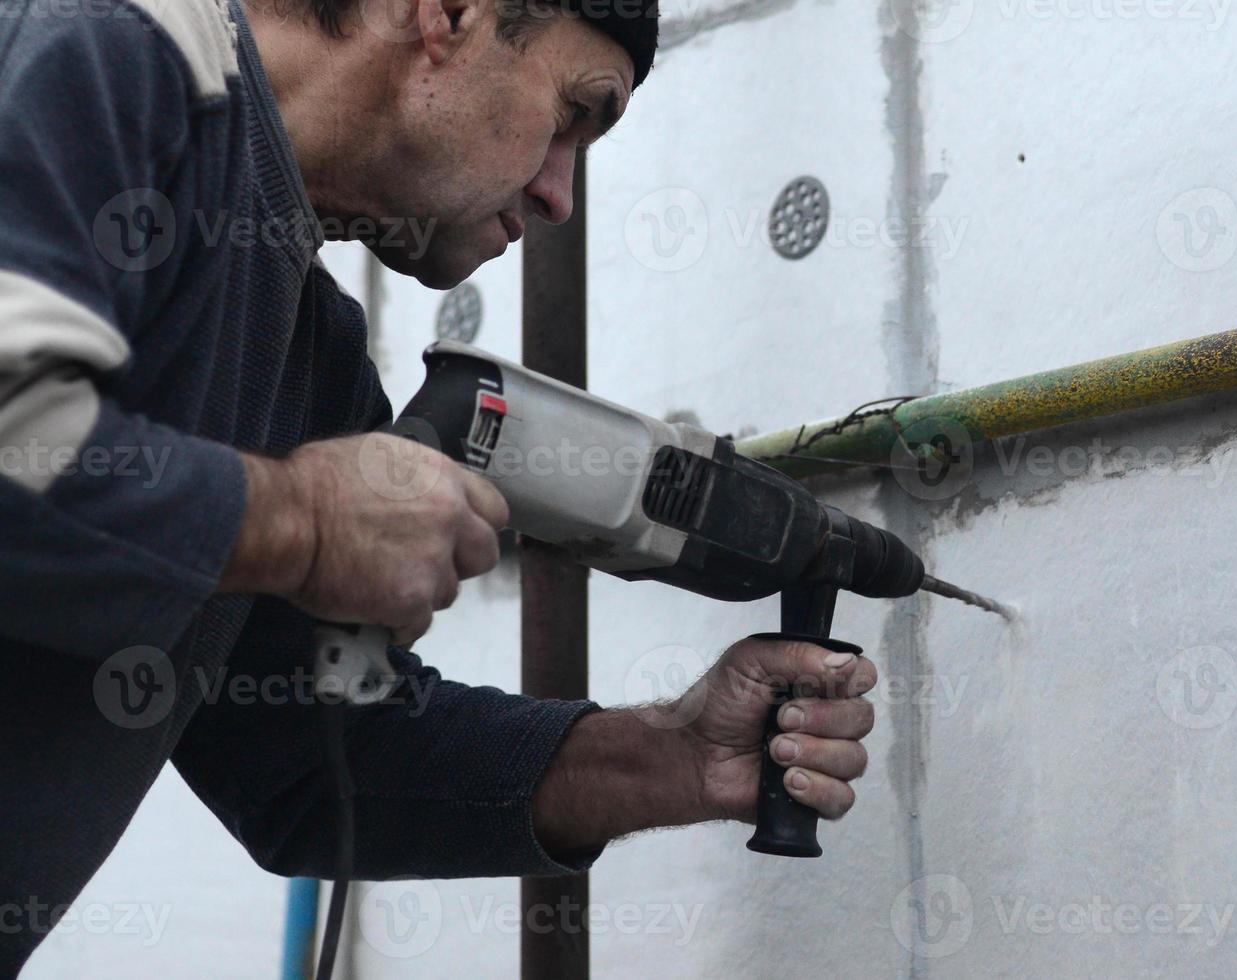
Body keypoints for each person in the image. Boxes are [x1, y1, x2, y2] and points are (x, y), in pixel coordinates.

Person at [0, 0, 878, 969]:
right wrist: (305, 521)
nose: (559, 196)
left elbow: (315, 764)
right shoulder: (104, 48)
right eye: (572, 115)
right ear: (448, 15)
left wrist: (671, 753)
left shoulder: (307, 357)